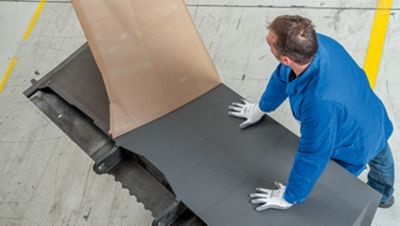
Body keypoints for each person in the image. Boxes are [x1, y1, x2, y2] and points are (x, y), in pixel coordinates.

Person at [228, 15, 395, 211]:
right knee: (383, 157)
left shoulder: (319, 103)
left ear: (286, 58)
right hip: (366, 111)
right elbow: (282, 77)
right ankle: (385, 195)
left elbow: (313, 154)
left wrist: (290, 197)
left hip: (359, 137)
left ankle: (383, 196)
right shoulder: (317, 44)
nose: (269, 47)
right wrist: (261, 108)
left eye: (270, 45)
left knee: (374, 160)